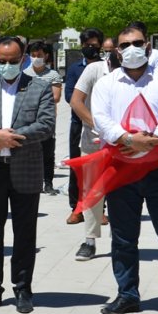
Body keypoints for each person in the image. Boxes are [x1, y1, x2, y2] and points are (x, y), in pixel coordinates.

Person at [91, 23, 158, 314]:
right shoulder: (107, 84)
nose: (131, 49)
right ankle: (127, 295)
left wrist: (152, 139)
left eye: (137, 43)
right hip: (121, 169)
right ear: (117, 51)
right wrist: (128, 140)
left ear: (148, 47)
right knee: (123, 237)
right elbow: (101, 119)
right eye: (125, 45)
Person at [0, 37, 55, 314]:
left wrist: (11, 138)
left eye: (12, 61)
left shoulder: (39, 87)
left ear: (23, 58)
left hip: (25, 168)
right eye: (1, 61)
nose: (6, 66)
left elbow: (46, 124)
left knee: (25, 233)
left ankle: (23, 289)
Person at [67, 41, 119, 259]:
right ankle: (89, 241)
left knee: (121, 193)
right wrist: (97, 125)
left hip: (124, 145)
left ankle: (120, 240)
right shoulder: (93, 70)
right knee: (92, 192)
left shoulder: (135, 74)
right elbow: (76, 101)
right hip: (93, 143)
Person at [64, 29, 105, 216]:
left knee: (100, 168)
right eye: (87, 45)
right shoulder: (75, 69)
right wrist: (84, 106)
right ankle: (76, 207)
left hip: (101, 125)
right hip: (79, 124)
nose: (91, 48)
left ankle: (100, 209)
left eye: (94, 45)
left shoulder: (105, 68)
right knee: (77, 166)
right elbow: (69, 95)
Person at [23, 40, 63, 194]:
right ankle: (33, 182)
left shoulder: (53, 75)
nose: (36, 58)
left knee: (47, 152)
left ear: (46, 56)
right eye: (33, 55)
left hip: (46, 119)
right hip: (27, 120)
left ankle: (48, 183)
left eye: (39, 55)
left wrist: (34, 98)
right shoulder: (24, 74)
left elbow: (56, 97)